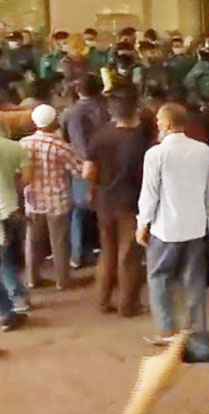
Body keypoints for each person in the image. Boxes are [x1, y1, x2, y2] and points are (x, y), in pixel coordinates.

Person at [136, 103, 209, 345]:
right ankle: (197, 331)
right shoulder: (203, 150)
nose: (157, 125)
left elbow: (150, 194)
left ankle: (167, 331)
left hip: (165, 228)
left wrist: (143, 223)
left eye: (159, 121)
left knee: (159, 277)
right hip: (195, 226)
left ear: (168, 124)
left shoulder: (156, 154)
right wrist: (208, 215)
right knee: (194, 281)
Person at [84, 91, 151, 316]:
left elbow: (87, 171)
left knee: (108, 251)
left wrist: (98, 187)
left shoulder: (100, 135)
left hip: (104, 200)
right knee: (129, 256)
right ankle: (128, 304)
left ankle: (103, 300)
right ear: (135, 109)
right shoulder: (141, 139)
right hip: (131, 201)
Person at [21, 104, 83, 291]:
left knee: (32, 242)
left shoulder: (23, 144)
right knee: (60, 243)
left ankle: (32, 279)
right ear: (53, 121)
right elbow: (77, 170)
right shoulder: (60, 146)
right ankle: (62, 280)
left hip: (33, 200)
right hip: (57, 201)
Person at [59, 73, 109, 268]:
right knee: (104, 209)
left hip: (79, 164)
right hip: (106, 164)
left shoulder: (69, 113)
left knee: (79, 211)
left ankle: (77, 255)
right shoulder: (106, 109)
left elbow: (64, 138)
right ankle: (106, 252)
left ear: (78, 90)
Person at [0, 124, 32, 325]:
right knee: (9, 258)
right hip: (9, 209)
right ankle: (17, 297)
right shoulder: (14, 147)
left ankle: (10, 305)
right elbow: (28, 177)